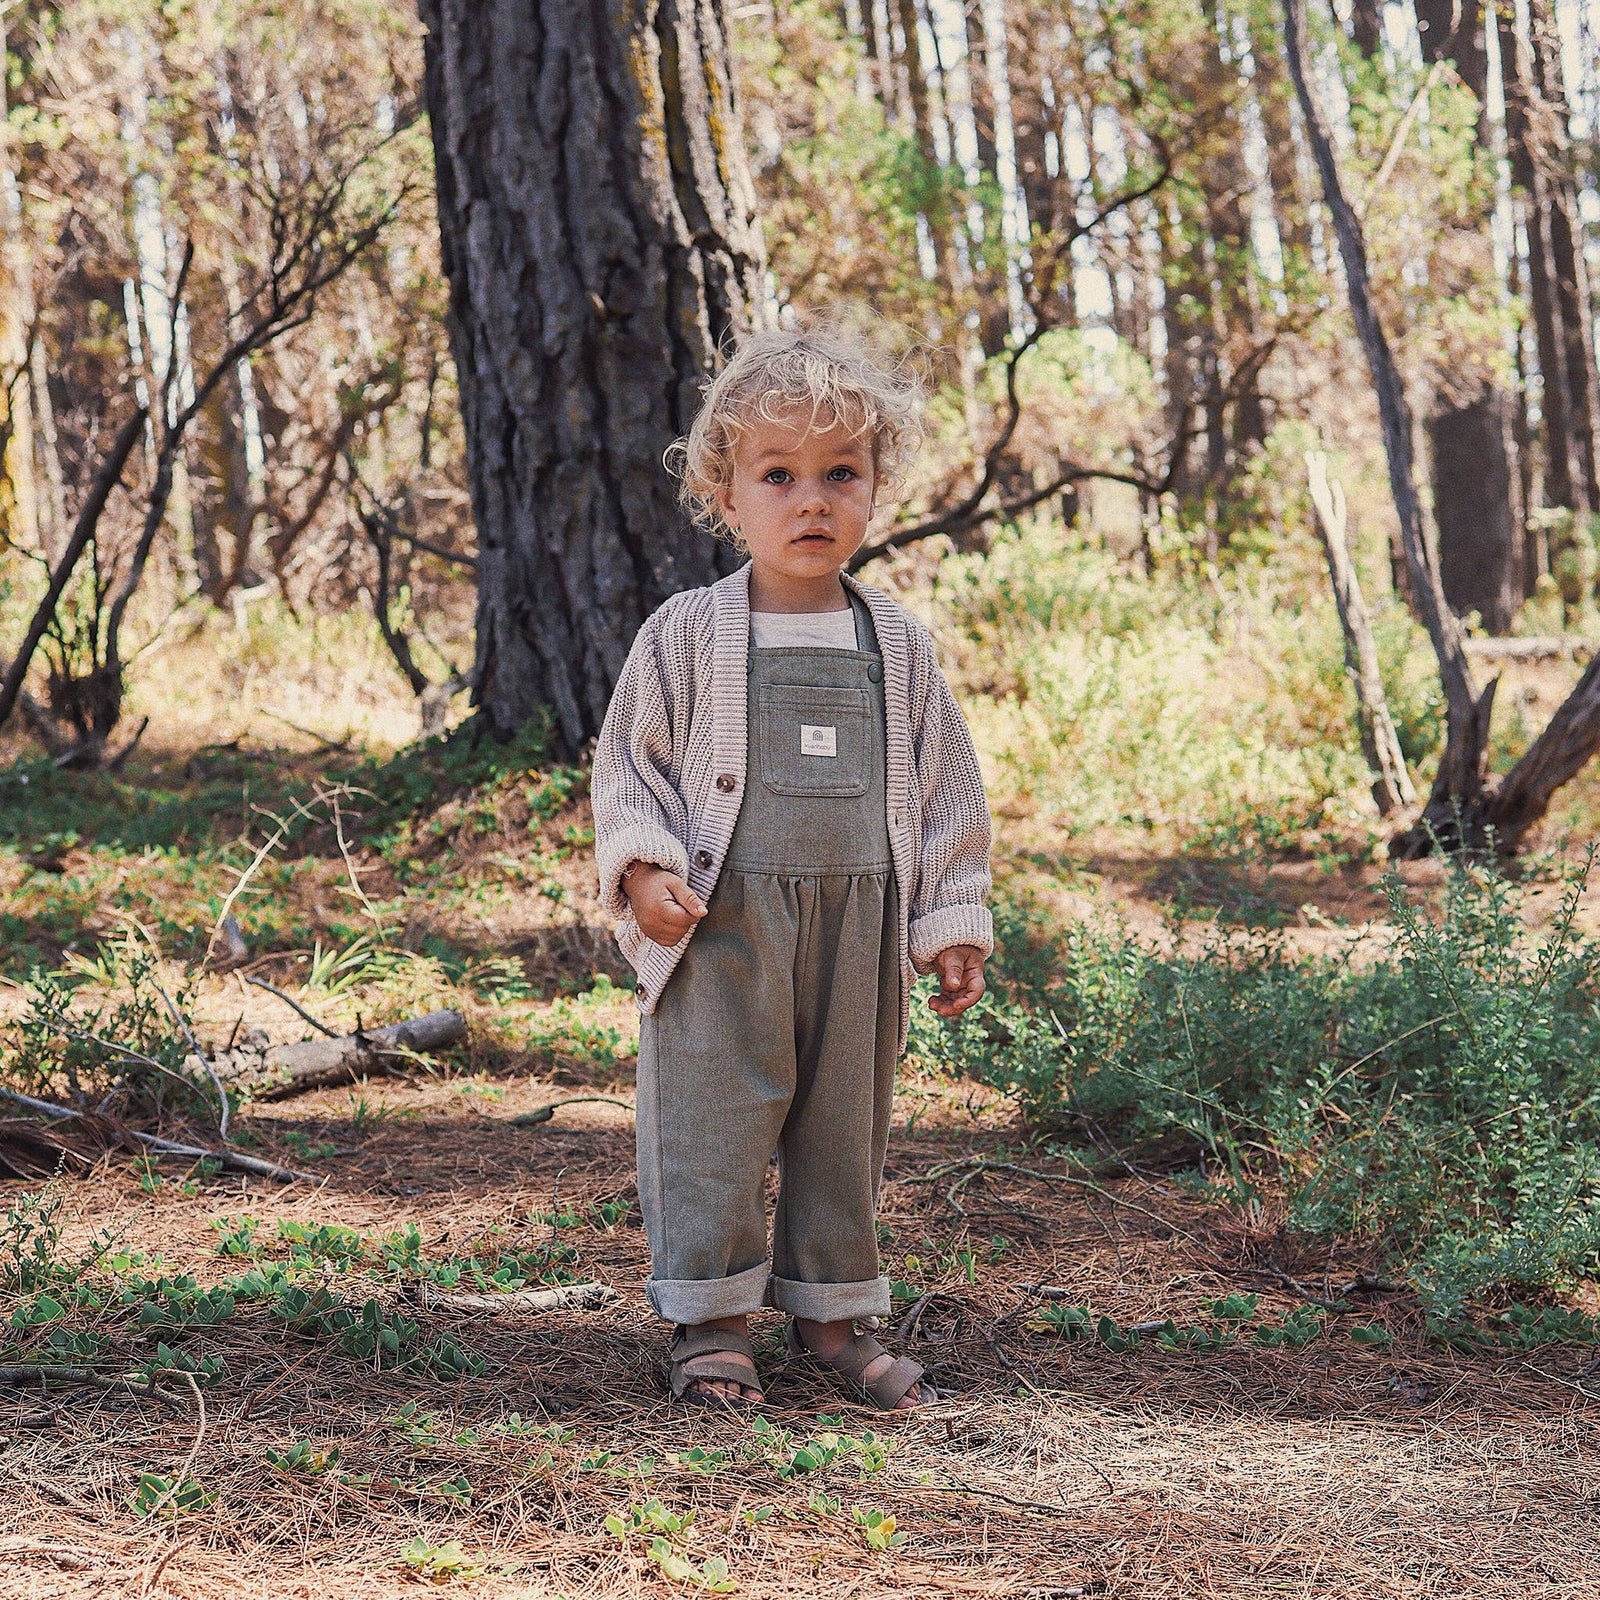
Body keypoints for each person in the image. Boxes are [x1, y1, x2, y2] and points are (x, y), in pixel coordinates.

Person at [591, 323, 993, 1412]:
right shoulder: (687, 634)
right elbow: (632, 767)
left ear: (875, 489)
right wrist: (641, 871)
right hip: (720, 928)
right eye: (778, 476)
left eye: (839, 475)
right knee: (713, 1115)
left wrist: (950, 916)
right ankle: (713, 1321)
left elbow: (947, 791)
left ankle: (834, 1316)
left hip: (858, 929)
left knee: (841, 1122)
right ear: (727, 494)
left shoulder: (896, 643)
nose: (810, 500)